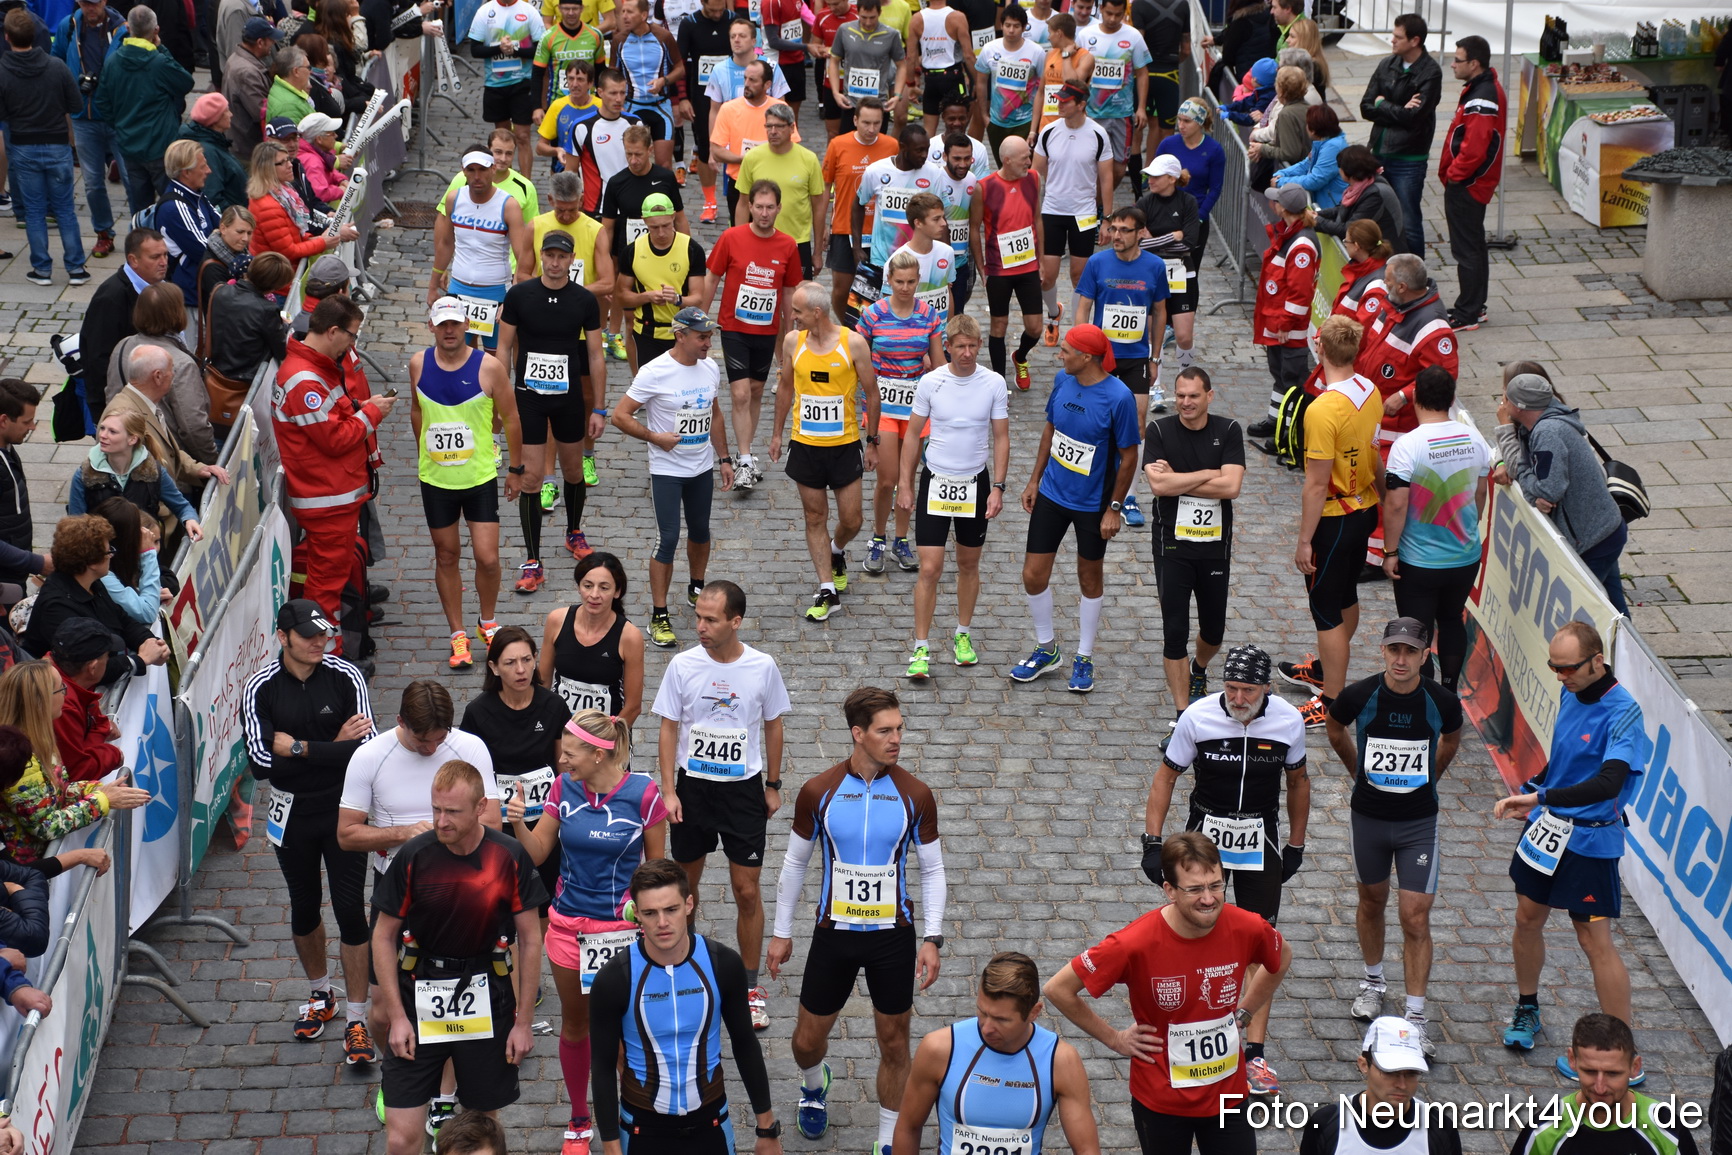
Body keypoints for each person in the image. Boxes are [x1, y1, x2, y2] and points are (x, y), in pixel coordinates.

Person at [767, 687, 945, 1155]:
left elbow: (933, 869)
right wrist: (782, 932)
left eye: (900, 729)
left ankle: (887, 1138)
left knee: (894, 1041)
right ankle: (813, 1083)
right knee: (806, 1041)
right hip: (834, 935)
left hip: (892, 937)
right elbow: (794, 865)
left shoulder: (915, 794)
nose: (896, 739)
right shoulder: (818, 790)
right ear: (858, 734)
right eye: (885, 731)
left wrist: (932, 937)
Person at [1045, 832, 1292, 1155]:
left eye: (1216, 885)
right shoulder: (1134, 943)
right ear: (1169, 891)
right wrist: (1114, 1039)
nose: (1209, 899)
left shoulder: (1246, 927)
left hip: (1227, 1097)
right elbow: (1058, 989)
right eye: (1195, 889)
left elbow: (1281, 956)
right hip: (1161, 1103)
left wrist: (1246, 1010)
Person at [1143, 642, 1305, 1093]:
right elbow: (1166, 776)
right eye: (1230, 688)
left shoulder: (1289, 722)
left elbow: (1298, 782)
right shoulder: (1197, 717)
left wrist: (1296, 843)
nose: (1237, 698)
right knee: (1195, 929)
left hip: (1260, 837)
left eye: (1247, 690)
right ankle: (1194, 1027)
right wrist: (1153, 842)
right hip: (1205, 835)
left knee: (1261, 944)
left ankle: (1253, 1053)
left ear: (1267, 689)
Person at [1493, 621, 1649, 1072]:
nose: (1560, 677)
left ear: (1597, 660)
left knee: (1593, 939)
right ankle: (1528, 1007)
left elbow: (1607, 782)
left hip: (1590, 841)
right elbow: (1562, 760)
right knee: (1527, 918)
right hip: (1547, 831)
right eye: (1554, 668)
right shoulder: (1570, 692)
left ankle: (1625, 1055)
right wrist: (1535, 787)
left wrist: (1540, 797)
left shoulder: (1624, 712)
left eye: (1568, 669)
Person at [504, 709, 661, 1155]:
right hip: (568, 926)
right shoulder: (562, 788)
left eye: (570, 753)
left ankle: (631, 1113)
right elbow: (536, 854)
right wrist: (518, 821)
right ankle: (578, 1119)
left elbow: (655, 871)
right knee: (576, 1026)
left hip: (620, 932)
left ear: (598, 753)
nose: (562, 761)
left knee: (625, 1030)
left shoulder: (644, 795)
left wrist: (643, 921)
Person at [370, 759, 542, 1155]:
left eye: (452, 812)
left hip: (487, 994)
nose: (440, 821)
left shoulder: (509, 855)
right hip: (419, 996)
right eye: (435, 809)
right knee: (401, 1138)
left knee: (484, 1130)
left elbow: (532, 940)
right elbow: (382, 936)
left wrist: (524, 1023)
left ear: (481, 807)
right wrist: (396, 1017)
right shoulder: (414, 856)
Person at [241, 598, 378, 1065]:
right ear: (283, 638)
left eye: (324, 634)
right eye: (309, 637)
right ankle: (321, 996)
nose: (321, 643)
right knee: (304, 905)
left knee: (349, 910)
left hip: (343, 811)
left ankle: (358, 1018)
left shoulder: (346, 675)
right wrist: (332, 746)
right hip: (291, 814)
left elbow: (367, 752)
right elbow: (260, 764)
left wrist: (297, 748)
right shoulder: (259, 687)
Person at [650, 579, 789, 1031]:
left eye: (711, 619)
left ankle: (749, 987)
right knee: (683, 891)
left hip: (742, 791)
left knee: (746, 891)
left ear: (735, 621)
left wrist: (773, 784)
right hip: (693, 790)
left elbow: (773, 725)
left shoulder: (762, 667)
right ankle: (682, 976)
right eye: (698, 617)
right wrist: (668, 790)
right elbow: (669, 727)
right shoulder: (682, 664)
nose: (700, 626)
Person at [1325, 617, 1462, 1056]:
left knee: (1415, 916)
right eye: (1394, 650)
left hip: (1418, 823)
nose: (1401, 660)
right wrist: (1356, 770)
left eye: (1411, 652)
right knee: (1371, 901)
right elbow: (1334, 727)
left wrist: (1431, 778)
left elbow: (1451, 740)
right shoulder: (1360, 695)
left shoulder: (1440, 701)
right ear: (1382, 651)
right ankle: (1372, 981)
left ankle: (1416, 1017)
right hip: (1368, 818)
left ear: (1425, 656)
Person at [588, 858, 783, 1155]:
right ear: (637, 914)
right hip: (642, 1130)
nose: (662, 923)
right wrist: (611, 1147)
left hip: (711, 1125)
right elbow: (602, 1067)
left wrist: (767, 1130)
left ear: (689, 904)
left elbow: (744, 1044)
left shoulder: (723, 964)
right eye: (651, 913)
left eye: (671, 909)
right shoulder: (615, 977)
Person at [1010, 324, 1137, 693]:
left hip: (1093, 504)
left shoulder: (1119, 398)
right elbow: (1050, 432)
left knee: (1089, 577)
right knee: (1033, 574)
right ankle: (1047, 648)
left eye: (1065, 351)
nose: (1058, 355)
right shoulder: (1063, 382)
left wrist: (1115, 507)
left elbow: (1129, 457)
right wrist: (1034, 480)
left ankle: (1084, 655)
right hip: (1052, 493)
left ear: (1087, 357)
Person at [892, 951, 1102, 1155]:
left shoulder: (1061, 1060)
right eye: (982, 1012)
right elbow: (908, 1127)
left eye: (1001, 1020)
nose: (986, 1028)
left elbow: (1086, 1149)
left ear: (1033, 1013)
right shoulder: (939, 1048)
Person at [411, 298, 526, 670]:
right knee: (446, 555)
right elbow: (417, 411)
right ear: (432, 326)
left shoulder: (489, 367)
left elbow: (510, 418)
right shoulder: (418, 364)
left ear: (467, 326)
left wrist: (516, 468)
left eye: (455, 324)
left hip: (478, 477)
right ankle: (457, 634)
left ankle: (487, 622)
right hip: (438, 480)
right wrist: (423, 454)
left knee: (487, 557)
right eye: (442, 324)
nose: (449, 331)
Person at [612, 308, 735, 648]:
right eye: (702, 337)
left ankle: (697, 586)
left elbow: (715, 414)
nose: (708, 343)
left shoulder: (710, 367)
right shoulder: (655, 372)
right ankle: (659, 614)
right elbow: (620, 416)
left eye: (710, 337)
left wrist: (724, 458)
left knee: (700, 531)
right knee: (667, 538)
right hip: (667, 471)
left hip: (700, 468)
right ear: (680, 336)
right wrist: (655, 437)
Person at [1280, 315, 1381, 728]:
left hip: (1335, 517)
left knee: (1325, 608)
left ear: (1320, 347)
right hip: (1364, 507)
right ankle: (1327, 668)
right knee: (1345, 597)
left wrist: (1305, 540)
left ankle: (1332, 698)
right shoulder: (1370, 390)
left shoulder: (1322, 409)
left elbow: (1316, 484)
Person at [274, 296, 397, 633]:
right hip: (327, 499)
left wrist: (361, 405)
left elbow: (335, 413)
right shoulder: (305, 380)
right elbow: (335, 438)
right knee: (326, 589)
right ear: (332, 332)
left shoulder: (313, 371)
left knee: (329, 580)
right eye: (352, 335)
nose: (353, 343)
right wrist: (371, 413)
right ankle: (325, 658)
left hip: (332, 496)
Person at [893, 313, 1006, 676]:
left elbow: (1001, 437)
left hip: (975, 483)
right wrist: (906, 483)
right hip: (936, 481)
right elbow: (912, 436)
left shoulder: (993, 383)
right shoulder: (930, 382)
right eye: (961, 347)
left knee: (969, 564)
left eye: (973, 346)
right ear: (948, 346)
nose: (968, 353)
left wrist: (999, 487)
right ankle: (921, 647)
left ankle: (962, 634)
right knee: (930, 567)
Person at [496, 230, 607, 593]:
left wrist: (600, 408)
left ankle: (574, 531)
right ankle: (532, 560)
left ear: (573, 259)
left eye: (562, 256)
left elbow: (595, 355)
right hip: (528, 397)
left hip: (568, 398)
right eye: (550, 255)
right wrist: (498, 403)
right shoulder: (519, 296)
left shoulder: (583, 300)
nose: (555, 262)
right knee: (530, 479)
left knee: (573, 471)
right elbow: (503, 351)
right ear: (541, 256)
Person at [771, 280, 879, 622]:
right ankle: (826, 589)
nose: (793, 317)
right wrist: (776, 433)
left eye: (798, 312)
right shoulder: (793, 343)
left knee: (852, 519)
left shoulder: (854, 344)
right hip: (805, 445)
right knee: (814, 516)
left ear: (817, 313)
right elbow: (786, 387)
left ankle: (836, 550)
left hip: (845, 445)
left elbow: (872, 394)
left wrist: (873, 440)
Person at [1142, 367, 1243, 720]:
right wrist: (1208, 473)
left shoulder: (1228, 430)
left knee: (1213, 630)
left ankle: (1199, 667)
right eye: (1180, 396)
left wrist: (1177, 480)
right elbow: (1157, 487)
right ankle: (1183, 714)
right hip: (1171, 544)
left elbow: (1231, 488)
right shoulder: (1158, 430)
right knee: (1174, 630)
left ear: (1209, 397)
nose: (1185, 403)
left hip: (1214, 545)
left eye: (1193, 396)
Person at [1381, 368, 1490, 691]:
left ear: (1415, 398)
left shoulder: (1408, 446)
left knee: (1416, 631)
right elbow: (1480, 494)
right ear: (1452, 399)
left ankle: (1424, 697)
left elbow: (1397, 504)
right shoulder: (1475, 438)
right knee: (1453, 620)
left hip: (1420, 562)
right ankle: (1449, 690)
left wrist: (1389, 551)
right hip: (1465, 555)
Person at [1494, 373, 1629, 615]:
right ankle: (1623, 652)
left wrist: (1525, 476)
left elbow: (1548, 490)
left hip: (1594, 539)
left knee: (1584, 613)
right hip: (1604, 529)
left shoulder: (1548, 433)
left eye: (1506, 399)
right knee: (1615, 609)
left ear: (1519, 406)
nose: (1502, 405)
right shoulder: (1541, 425)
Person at [705, 179, 803, 493]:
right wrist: (701, 320)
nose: (764, 213)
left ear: (779, 208)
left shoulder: (787, 245)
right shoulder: (731, 237)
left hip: (767, 330)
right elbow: (712, 279)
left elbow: (789, 293)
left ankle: (745, 451)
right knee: (741, 394)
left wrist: (792, 331)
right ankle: (745, 459)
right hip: (733, 327)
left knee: (758, 391)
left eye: (769, 207)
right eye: (758, 206)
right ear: (749, 207)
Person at [0, 673, 149, 866]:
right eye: (61, 689)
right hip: (25, 872)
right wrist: (103, 800)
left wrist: (96, 790)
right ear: (41, 701)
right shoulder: (18, 756)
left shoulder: (38, 739)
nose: (66, 694)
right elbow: (46, 826)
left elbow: (56, 793)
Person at [857, 249, 942, 582]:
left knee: (909, 477)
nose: (905, 288)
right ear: (888, 280)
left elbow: (937, 365)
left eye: (911, 282)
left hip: (916, 408)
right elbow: (858, 358)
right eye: (899, 282)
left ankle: (901, 539)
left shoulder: (928, 315)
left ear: (918, 281)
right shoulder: (873, 315)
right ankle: (878, 538)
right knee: (888, 478)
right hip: (883, 407)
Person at [1077, 205, 1169, 483]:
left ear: (1141, 233)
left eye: (1124, 230)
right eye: (1113, 228)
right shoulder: (1097, 263)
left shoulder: (1155, 266)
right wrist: (1083, 347)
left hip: (1136, 358)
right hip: (1101, 358)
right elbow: (1083, 308)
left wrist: (1154, 359)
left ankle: (1127, 496)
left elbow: (1160, 312)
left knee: (1137, 425)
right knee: (1095, 422)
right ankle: (1094, 480)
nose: (1116, 235)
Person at [23, 516, 169, 685]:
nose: (112, 556)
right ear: (92, 562)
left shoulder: (92, 583)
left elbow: (121, 618)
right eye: (109, 551)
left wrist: (149, 641)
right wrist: (141, 660)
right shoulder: (57, 607)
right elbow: (87, 669)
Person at [0, 9, 89, 287]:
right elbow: (75, 105)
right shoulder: (56, 67)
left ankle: (42, 269)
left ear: (7, 37)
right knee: (64, 209)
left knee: (35, 211)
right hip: (57, 145)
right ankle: (76, 268)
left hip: (23, 147)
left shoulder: (2, 72)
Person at [1510, 1014, 1688, 1149]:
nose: (1600, 1087)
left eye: (1613, 1073)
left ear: (1635, 1067)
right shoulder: (1543, 1131)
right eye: (1590, 1071)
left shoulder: (1667, 1128)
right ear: (1572, 1060)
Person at [1299, 1016, 1461, 1155]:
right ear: (1364, 1065)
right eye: (1390, 1072)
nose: (1402, 1084)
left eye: (1411, 1073)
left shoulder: (1441, 1129)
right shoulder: (1325, 1124)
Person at [106, 288, 221, 477]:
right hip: (171, 468)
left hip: (127, 455)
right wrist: (209, 463)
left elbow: (111, 396)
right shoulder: (180, 363)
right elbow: (193, 427)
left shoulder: (123, 346)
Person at [427, 150, 533, 353]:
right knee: (458, 352)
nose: (477, 176)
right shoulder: (454, 199)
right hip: (460, 288)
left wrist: (513, 297)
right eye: (471, 170)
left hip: (495, 291)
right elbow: (446, 243)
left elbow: (523, 257)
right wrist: (433, 284)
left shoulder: (509, 205)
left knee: (495, 355)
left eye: (482, 170)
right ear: (463, 172)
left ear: (493, 169)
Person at [599, 125, 687, 367]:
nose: (633, 160)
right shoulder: (616, 183)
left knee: (667, 314)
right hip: (628, 258)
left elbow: (679, 218)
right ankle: (638, 381)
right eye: (628, 154)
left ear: (650, 150)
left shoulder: (665, 177)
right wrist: (606, 264)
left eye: (638, 154)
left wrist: (689, 251)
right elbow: (606, 227)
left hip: (662, 255)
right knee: (632, 321)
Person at [92, 5, 194, 215]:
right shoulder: (158, 61)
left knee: (140, 210)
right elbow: (186, 82)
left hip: (130, 146)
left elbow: (102, 101)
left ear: (128, 27)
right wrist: (162, 49)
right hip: (160, 145)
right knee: (172, 207)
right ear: (155, 31)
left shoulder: (113, 62)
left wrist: (119, 124)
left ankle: (141, 244)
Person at [1032, 83, 1111, 347]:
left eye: (1065, 101)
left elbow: (1106, 177)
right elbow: (1036, 172)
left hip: (1084, 214)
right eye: (1058, 100)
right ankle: (1054, 315)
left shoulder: (1098, 134)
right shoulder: (1049, 131)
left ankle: (1079, 332)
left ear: (1081, 104)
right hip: (1052, 210)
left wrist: (1107, 219)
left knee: (1080, 275)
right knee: (1047, 276)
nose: (1059, 104)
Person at [1358, 14, 1438, 260]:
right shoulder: (1387, 65)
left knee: (1409, 219)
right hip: (1380, 151)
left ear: (1415, 41)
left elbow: (1416, 117)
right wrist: (1400, 108)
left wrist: (1385, 104)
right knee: (1379, 216)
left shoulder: (1430, 72)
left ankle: (1417, 275)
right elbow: (1365, 107)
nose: (1391, 40)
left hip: (1409, 158)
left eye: (1398, 36)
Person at [54, 0, 130, 258]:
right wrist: (69, 88)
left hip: (117, 117)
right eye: (85, 3)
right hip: (82, 117)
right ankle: (104, 233)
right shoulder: (69, 26)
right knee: (92, 183)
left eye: (95, 3)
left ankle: (140, 234)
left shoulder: (121, 29)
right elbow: (56, 60)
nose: (90, 8)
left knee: (132, 178)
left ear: (105, 2)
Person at [1439, 35, 1504, 332]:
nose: (1452, 64)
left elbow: (1475, 147)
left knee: (1466, 249)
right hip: (1472, 182)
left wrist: (1455, 175)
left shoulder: (1482, 96)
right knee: (1473, 246)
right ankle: (1474, 305)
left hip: (1468, 184)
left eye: (1458, 60)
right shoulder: (1481, 89)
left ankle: (1467, 313)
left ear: (1474, 64)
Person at [851, 122, 944, 322]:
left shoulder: (934, 173)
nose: (924, 155)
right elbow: (858, 204)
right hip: (882, 260)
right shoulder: (876, 171)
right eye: (919, 150)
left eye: (927, 150)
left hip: (918, 262)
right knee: (874, 322)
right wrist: (857, 246)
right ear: (903, 147)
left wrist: (943, 256)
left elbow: (940, 218)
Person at [970, 134, 1042, 388]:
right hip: (998, 269)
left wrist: (1041, 259)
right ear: (1007, 160)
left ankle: (1020, 357)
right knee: (998, 325)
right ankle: (999, 384)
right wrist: (981, 267)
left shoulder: (1033, 179)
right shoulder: (985, 187)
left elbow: (1037, 220)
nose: (1029, 162)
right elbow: (974, 227)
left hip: (1028, 266)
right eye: (1024, 158)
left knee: (1035, 328)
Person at [68, 409, 204, 539]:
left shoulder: (153, 472)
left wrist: (189, 519)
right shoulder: (85, 475)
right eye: (102, 428)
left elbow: (181, 506)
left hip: (145, 553)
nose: (102, 435)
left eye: (112, 432)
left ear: (132, 439)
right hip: (104, 555)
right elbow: (76, 525)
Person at [735, 105, 826, 280]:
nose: (773, 131)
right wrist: (740, 244)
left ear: (792, 128)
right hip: (759, 241)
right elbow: (742, 203)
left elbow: (819, 207)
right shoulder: (752, 158)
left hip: (797, 243)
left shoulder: (809, 159)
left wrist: (817, 252)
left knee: (798, 300)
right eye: (769, 126)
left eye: (779, 126)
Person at [207, 251, 292, 429]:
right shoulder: (267, 310)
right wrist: (283, 326)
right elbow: (280, 349)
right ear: (274, 286)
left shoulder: (220, 291)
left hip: (216, 372)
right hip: (245, 383)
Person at [1134, 154, 1199, 381]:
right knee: (1154, 335)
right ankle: (1156, 385)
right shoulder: (1144, 203)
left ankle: (1185, 378)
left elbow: (1189, 242)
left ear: (1171, 178)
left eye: (1155, 176)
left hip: (1183, 274)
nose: (1149, 180)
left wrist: (1154, 240)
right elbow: (1138, 242)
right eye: (1148, 176)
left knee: (1183, 337)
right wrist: (1172, 235)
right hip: (1152, 274)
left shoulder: (1188, 202)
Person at [708, 60, 798, 221]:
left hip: (775, 186)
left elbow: (794, 146)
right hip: (739, 185)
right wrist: (746, 160)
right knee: (742, 238)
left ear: (767, 84)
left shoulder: (780, 108)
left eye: (753, 80)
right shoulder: (728, 109)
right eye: (745, 79)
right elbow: (716, 150)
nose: (746, 84)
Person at [467, 0, 547, 175]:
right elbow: (475, 50)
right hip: (495, 85)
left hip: (522, 83)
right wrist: (500, 49)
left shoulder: (529, 12)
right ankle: (505, 183)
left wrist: (515, 50)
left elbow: (541, 49)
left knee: (523, 136)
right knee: (502, 139)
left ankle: (526, 186)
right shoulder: (485, 12)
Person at [1076, 0, 1149, 191]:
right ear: (1100, 9)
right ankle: (1095, 206)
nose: (1112, 19)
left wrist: (1141, 107)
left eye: (1118, 14)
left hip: (1122, 113)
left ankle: (1099, 203)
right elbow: (1077, 74)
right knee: (1089, 166)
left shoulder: (1133, 36)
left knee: (1118, 170)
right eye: (1108, 13)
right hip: (1092, 113)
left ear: (1124, 12)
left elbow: (1142, 72)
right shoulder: (1085, 35)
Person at [248, 142, 360, 264]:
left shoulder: (284, 191)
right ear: (267, 168)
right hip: (279, 276)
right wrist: (323, 242)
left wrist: (326, 234)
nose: (290, 165)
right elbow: (288, 252)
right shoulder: (268, 207)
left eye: (288, 160)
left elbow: (298, 233)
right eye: (282, 162)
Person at [47, 618, 127, 783]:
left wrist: (102, 729)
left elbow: (97, 725)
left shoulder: (67, 675)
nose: (109, 660)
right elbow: (76, 771)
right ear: (93, 667)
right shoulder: (61, 703)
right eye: (107, 656)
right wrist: (113, 755)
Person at [608, 0, 683, 172]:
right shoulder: (619, 40)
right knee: (631, 163)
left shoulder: (663, 37)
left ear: (643, 15)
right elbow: (613, 74)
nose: (624, 16)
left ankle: (663, 198)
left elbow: (680, 68)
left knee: (664, 165)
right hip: (631, 107)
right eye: (623, 11)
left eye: (630, 12)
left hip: (660, 107)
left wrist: (664, 81)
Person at [827, 0, 904, 140]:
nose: (868, 22)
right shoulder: (845, 30)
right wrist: (835, 92)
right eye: (864, 17)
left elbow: (902, 65)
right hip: (851, 103)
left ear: (880, 13)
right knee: (848, 147)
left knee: (876, 150)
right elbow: (834, 60)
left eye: (872, 18)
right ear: (857, 12)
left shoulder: (891, 34)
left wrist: (897, 95)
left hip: (878, 104)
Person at [974, 5, 1042, 161]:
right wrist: (985, 116)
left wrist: (1034, 128)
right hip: (997, 122)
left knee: (1023, 165)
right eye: (1008, 25)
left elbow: (1041, 89)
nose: (1011, 30)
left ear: (1024, 27)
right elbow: (981, 82)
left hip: (1025, 120)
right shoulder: (989, 49)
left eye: (1016, 26)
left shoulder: (1036, 52)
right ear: (1001, 25)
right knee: (1003, 166)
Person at [88, 497, 163, 624]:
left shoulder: (117, 563)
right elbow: (147, 613)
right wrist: (148, 554)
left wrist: (153, 593)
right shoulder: (103, 575)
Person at [905, 0, 974, 137]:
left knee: (929, 131)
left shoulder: (917, 18)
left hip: (930, 79)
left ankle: (929, 157)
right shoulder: (957, 17)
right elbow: (969, 55)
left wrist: (911, 83)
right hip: (953, 76)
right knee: (958, 128)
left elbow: (911, 57)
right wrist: (977, 82)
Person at [1317, 146, 1404, 254]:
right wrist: (1317, 214)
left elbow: (1350, 230)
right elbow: (1342, 209)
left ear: (1348, 172)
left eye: (1340, 167)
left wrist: (1316, 221)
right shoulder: (1362, 184)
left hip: (1384, 257)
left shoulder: (1375, 195)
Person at [222, 17, 282, 162]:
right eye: (271, 40)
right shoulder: (247, 72)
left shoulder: (237, 58)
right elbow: (262, 112)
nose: (273, 44)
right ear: (260, 42)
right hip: (248, 150)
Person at [178, 93, 250, 213]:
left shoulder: (216, 142)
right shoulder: (207, 152)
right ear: (215, 119)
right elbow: (212, 196)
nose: (231, 115)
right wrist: (237, 217)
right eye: (227, 111)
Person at [1271, 102, 1346, 209]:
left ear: (1313, 130)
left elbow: (1315, 180)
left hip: (1330, 208)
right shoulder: (1322, 142)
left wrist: (1281, 182)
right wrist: (1282, 173)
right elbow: (1306, 164)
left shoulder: (1332, 147)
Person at [1030, 13, 1092, 137]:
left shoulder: (1086, 57)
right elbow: (1041, 92)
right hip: (1046, 126)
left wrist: (1066, 56)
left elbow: (1071, 85)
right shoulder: (1050, 55)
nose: (1048, 38)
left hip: (1072, 126)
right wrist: (1033, 130)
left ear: (1059, 33)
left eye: (1050, 32)